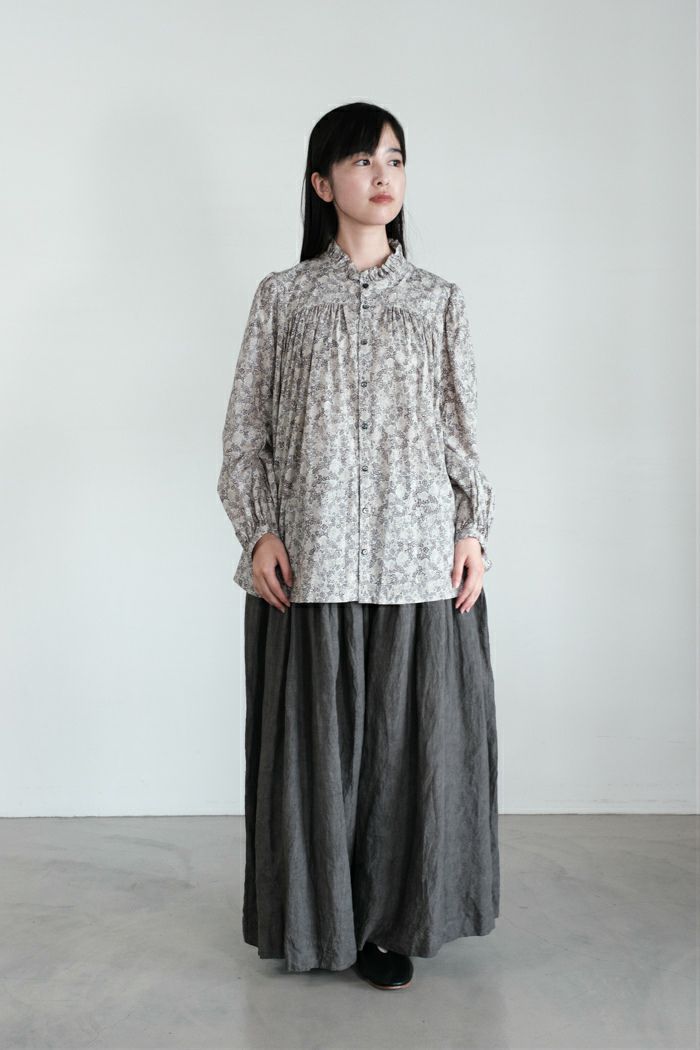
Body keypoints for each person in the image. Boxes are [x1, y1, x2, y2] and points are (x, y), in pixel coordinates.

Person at [217, 101, 499, 990]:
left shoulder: (438, 301)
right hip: (315, 562)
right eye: (362, 160)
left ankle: (386, 927)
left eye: (396, 159)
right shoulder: (283, 298)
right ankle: (315, 922)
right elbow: (246, 434)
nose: (383, 175)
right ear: (321, 182)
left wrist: (472, 530)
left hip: (417, 563)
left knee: (404, 757)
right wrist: (259, 528)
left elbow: (462, 433)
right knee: (317, 758)